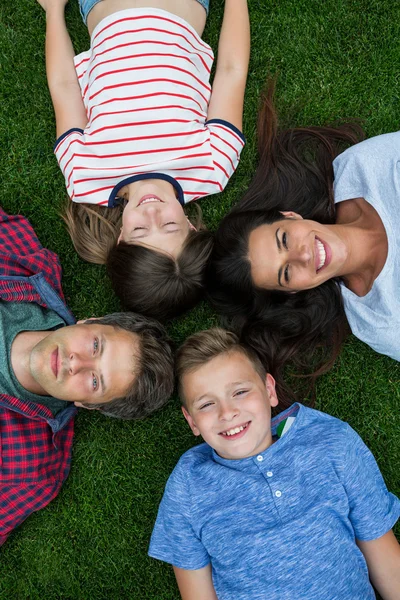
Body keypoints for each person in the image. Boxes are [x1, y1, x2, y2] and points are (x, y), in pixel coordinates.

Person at [148, 328, 400, 600]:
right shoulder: (188, 486)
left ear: (269, 390)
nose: (227, 412)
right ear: (192, 421)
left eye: (240, 391)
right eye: (207, 404)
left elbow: (386, 561)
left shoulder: (330, 441)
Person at [36, 0, 250, 321]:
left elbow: (65, 87)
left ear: (120, 238)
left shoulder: (83, 175)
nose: (151, 211)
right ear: (191, 226)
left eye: (140, 231)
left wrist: (53, 11)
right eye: (169, 225)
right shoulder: (213, 165)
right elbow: (232, 70)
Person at [0, 205, 174, 544]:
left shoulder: (27, 473)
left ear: (88, 405)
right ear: (90, 321)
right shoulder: (25, 262)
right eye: (96, 346)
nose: (76, 363)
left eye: (95, 382)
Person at [207, 82, 400, 378]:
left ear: (291, 216)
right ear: (295, 290)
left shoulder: (362, 170)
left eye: (283, 239)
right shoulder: (380, 321)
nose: (301, 256)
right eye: (285, 273)